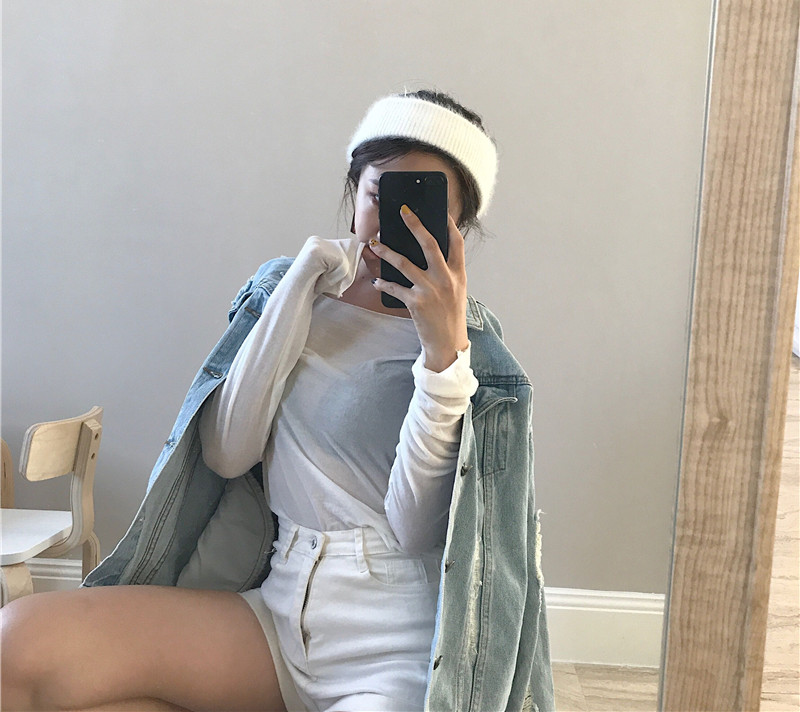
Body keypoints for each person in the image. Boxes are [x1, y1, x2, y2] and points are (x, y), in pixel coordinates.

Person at [0, 89, 554, 712]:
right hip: (277, 614)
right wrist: (297, 288)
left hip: (395, 645)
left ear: (459, 230)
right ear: (354, 193)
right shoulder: (288, 289)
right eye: (381, 195)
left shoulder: (476, 356)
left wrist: (442, 357)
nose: (399, 223)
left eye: (426, 210)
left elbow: (414, 527)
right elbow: (227, 454)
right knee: (19, 643)